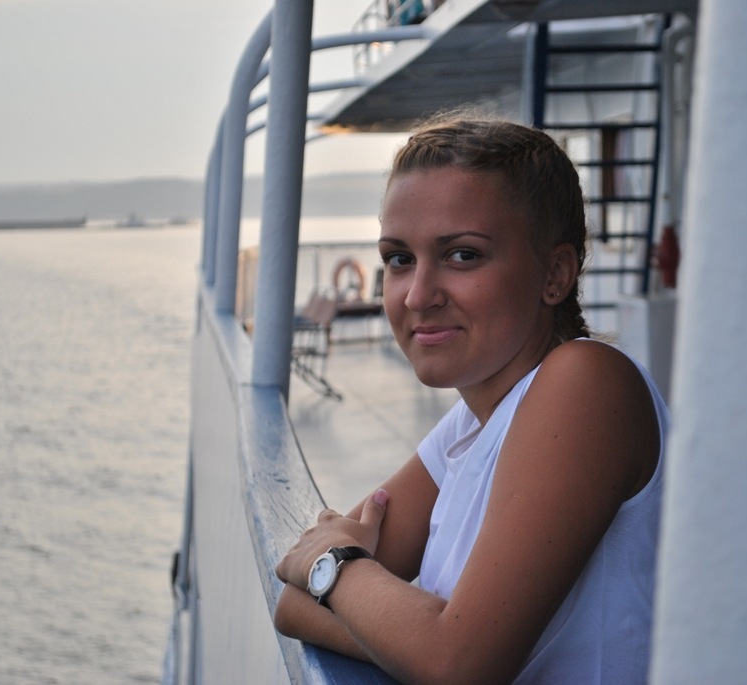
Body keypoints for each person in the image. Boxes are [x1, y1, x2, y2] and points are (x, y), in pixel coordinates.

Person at [275, 116, 669, 684]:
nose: (418, 295)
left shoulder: (586, 382)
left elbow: (456, 664)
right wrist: (383, 610)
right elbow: (294, 603)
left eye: (462, 255)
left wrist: (335, 568)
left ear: (555, 274)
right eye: (398, 259)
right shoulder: (473, 423)